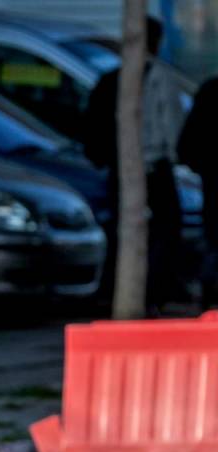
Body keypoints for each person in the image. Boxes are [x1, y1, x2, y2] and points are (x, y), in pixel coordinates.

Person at [83, 15, 187, 314]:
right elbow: (171, 125)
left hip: (129, 168)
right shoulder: (156, 78)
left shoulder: (118, 79)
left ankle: (139, 292)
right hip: (149, 167)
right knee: (162, 230)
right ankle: (147, 293)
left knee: (140, 231)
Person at [178, 75, 218, 308]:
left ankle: (210, 294)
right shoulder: (210, 91)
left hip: (211, 178)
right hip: (212, 176)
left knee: (213, 238)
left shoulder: (209, 90)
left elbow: (189, 141)